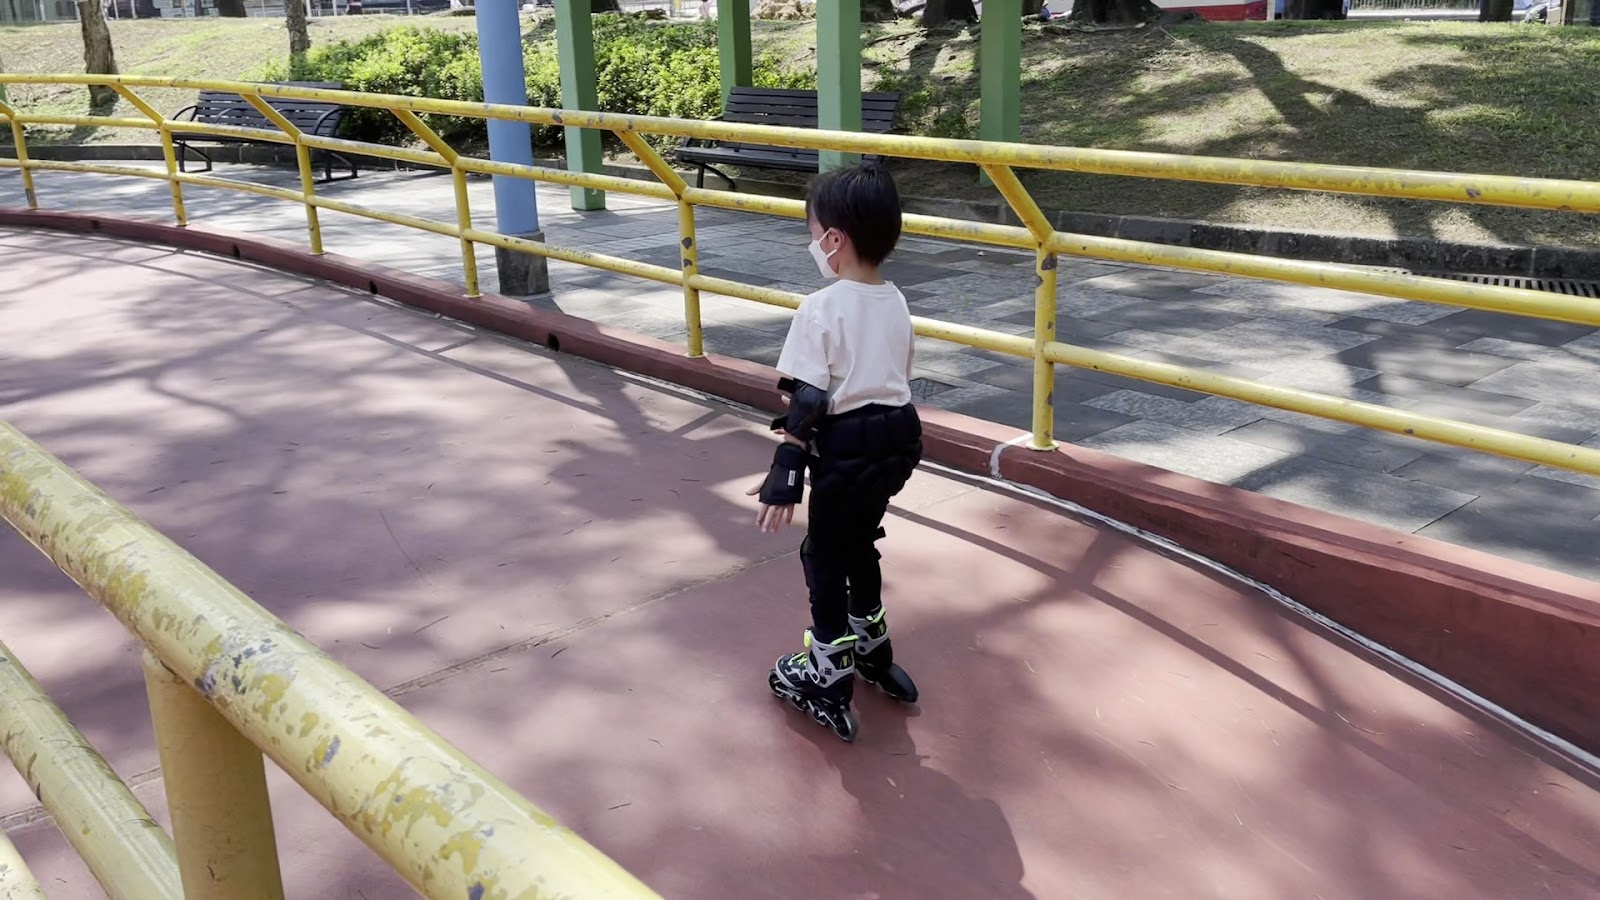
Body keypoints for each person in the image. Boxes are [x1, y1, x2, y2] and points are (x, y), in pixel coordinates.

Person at [749, 161, 925, 743]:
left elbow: (809, 394)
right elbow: (899, 377)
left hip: (847, 444)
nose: (812, 243)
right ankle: (872, 644)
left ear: (834, 239)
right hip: (898, 440)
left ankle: (827, 671)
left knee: (822, 554)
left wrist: (787, 465)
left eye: (813, 230)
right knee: (860, 540)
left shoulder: (820, 307)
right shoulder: (896, 300)